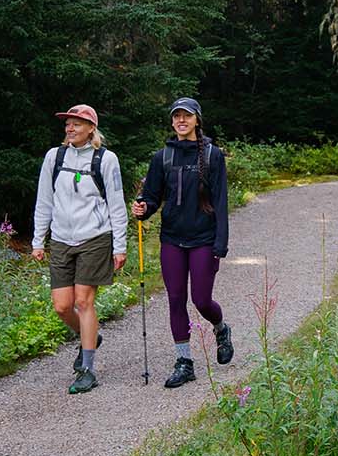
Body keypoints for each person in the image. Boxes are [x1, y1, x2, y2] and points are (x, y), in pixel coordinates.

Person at [131, 97, 234, 389]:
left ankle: (221, 328)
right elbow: (151, 196)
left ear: (197, 120)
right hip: (172, 239)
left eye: (186, 116)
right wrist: (143, 207)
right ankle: (184, 361)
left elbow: (221, 201)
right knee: (176, 299)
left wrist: (220, 243)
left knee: (201, 300)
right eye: (176, 116)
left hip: (203, 238)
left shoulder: (213, 156)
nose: (181, 120)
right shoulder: (162, 157)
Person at [33, 104, 129, 394]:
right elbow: (44, 200)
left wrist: (119, 246)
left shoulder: (106, 159)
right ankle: (89, 335)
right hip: (62, 239)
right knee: (62, 306)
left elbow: (116, 204)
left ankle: (87, 370)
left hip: (95, 238)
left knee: (84, 301)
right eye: (67, 125)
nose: (70, 129)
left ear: (91, 129)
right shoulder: (55, 157)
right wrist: (39, 239)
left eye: (76, 124)